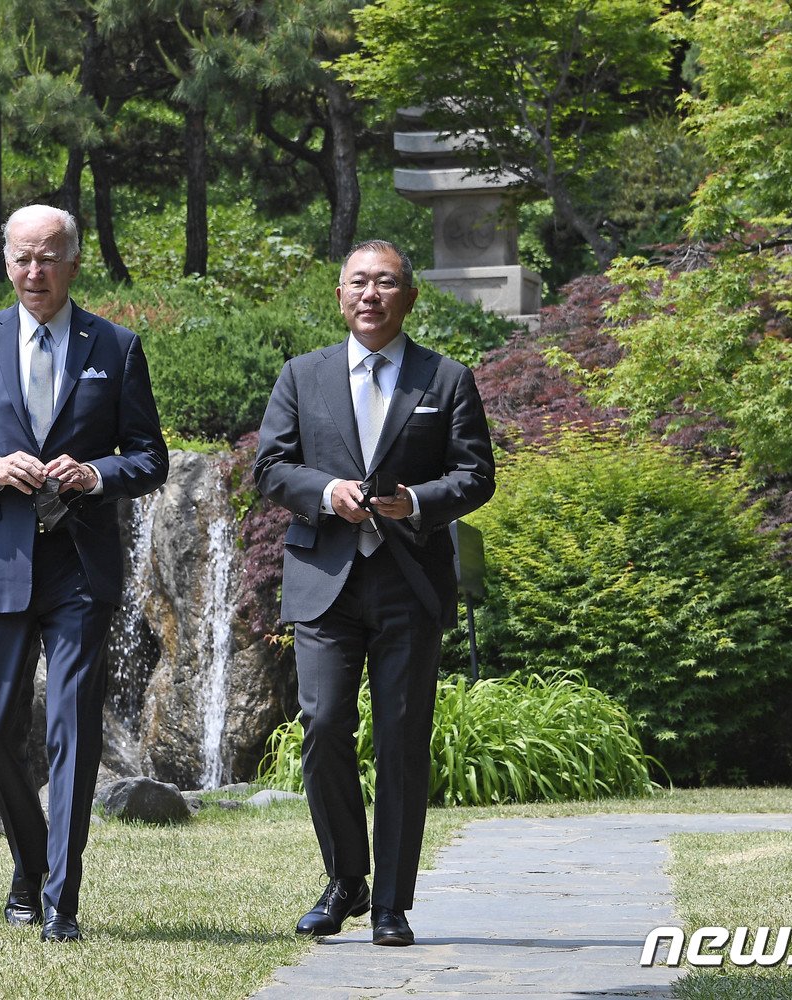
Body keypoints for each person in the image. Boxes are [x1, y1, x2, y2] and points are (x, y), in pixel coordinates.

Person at [0, 204, 167, 943]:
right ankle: (29, 867)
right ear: (6, 263)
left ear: (73, 262)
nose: (35, 272)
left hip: (80, 567)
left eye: (49, 258)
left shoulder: (115, 347)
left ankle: (62, 897)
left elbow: (149, 457)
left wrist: (96, 472)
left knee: (73, 729)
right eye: (23, 258)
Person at [253, 239, 494, 946]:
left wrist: (416, 501)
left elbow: (476, 474)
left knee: (401, 740)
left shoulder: (446, 378)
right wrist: (325, 492)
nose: (370, 294)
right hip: (325, 581)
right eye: (358, 282)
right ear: (339, 295)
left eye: (386, 283)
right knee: (324, 725)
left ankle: (391, 902)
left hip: (408, 582)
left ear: (409, 298)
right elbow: (270, 466)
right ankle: (345, 880)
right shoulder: (302, 375)